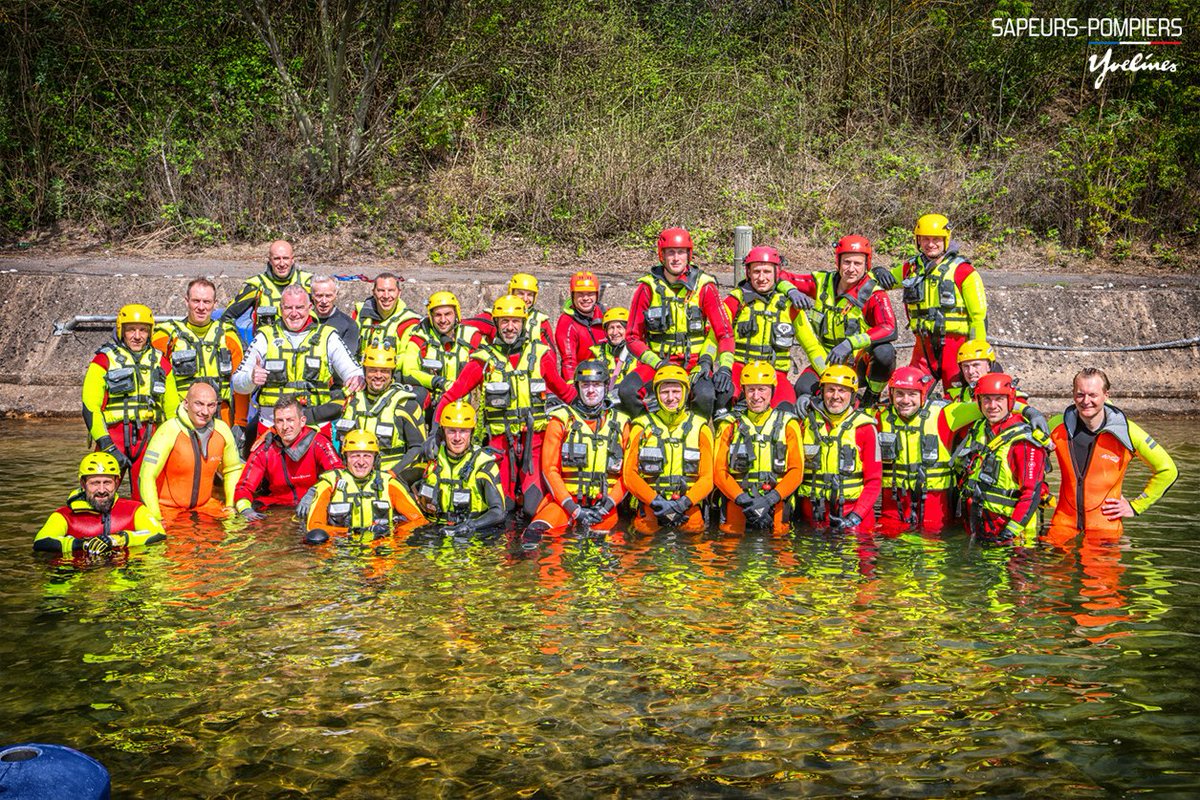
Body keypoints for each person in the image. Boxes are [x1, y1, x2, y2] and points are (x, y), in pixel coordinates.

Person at [433, 294, 574, 516]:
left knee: (532, 509)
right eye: (504, 321)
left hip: (534, 444)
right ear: (496, 324)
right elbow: (451, 395)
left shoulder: (540, 355)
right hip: (500, 444)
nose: (510, 327)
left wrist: (591, 411)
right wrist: (435, 432)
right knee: (503, 509)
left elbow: (564, 392)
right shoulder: (484, 360)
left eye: (515, 321)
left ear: (524, 323)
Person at [1045, 368, 1178, 543]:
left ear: (1106, 395)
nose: (1086, 401)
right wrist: (1040, 491)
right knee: (1041, 559)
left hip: (1105, 528)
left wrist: (1136, 506)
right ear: (1073, 395)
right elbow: (1031, 458)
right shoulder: (1057, 425)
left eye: (1093, 395)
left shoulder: (1127, 432)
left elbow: (1167, 470)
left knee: (1100, 562)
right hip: (1063, 523)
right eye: (1080, 395)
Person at [619, 227, 736, 417]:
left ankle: (697, 432)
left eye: (681, 252)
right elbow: (632, 338)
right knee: (627, 392)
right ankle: (650, 427)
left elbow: (725, 334)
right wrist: (658, 364)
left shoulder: (705, 286)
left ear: (688, 255)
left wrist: (724, 368)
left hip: (695, 365)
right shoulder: (647, 288)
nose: (675, 258)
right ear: (662, 255)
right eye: (670, 252)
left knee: (706, 396)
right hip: (658, 362)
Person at [873, 214, 988, 391]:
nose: (930, 244)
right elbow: (873, 282)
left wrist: (977, 354)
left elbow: (978, 317)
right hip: (923, 346)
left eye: (936, 239)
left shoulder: (964, 271)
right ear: (918, 240)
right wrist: (877, 272)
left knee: (957, 396)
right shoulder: (911, 268)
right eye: (925, 239)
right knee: (909, 390)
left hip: (956, 346)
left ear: (946, 240)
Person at [231, 284, 365, 433]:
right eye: (288, 308)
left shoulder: (328, 337)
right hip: (272, 426)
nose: (294, 313)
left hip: (315, 425)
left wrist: (354, 381)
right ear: (281, 309)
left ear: (310, 307)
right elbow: (237, 382)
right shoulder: (264, 337)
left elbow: (354, 372)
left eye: (300, 307)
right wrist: (250, 379)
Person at [786, 235, 897, 406]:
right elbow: (780, 276)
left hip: (858, 362)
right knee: (802, 390)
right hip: (826, 358)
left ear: (866, 265)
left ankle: (871, 397)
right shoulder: (822, 282)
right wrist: (790, 290)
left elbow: (889, 328)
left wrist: (850, 343)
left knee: (885, 352)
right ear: (837, 262)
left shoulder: (874, 293)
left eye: (857, 263)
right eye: (847, 262)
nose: (851, 269)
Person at [82, 303, 179, 496]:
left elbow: (172, 411)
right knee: (100, 494)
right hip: (112, 438)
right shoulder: (103, 360)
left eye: (143, 330)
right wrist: (107, 445)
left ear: (150, 332)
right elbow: (90, 407)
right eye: (131, 330)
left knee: (147, 496)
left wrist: (172, 445)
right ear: (121, 330)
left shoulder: (161, 362)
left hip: (149, 439)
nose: (137, 336)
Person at [875, 366, 984, 534]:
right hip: (894, 507)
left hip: (935, 508)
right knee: (889, 543)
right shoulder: (879, 417)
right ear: (891, 395)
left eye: (912, 394)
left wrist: (1025, 409)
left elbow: (988, 406)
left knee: (932, 543)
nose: (905, 400)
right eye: (899, 394)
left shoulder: (945, 415)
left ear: (923, 394)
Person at [528, 359, 630, 536]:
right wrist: (573, 509)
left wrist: (606, 507)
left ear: (606, 387)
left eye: (596, 385)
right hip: (566, 502)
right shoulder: (561, 420)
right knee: (534, 535)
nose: (591, 390)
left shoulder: (621, 423)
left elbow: (627, 475)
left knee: (605, 545)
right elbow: (550, 470)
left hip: (603, 507)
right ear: (577, 387)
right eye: (585, 385)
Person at [952, 373, 1047, 546]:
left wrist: (1009, 533)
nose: (992, 406)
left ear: (1010, 400)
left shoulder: (1024, 441)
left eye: (999, 399)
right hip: (979, 528)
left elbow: (1032, 493)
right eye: (986, 399)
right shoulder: (978, 428)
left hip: (1009, 537)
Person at [724, 245, 823, 407]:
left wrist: (827, 375)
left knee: (787, 410)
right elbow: (718, 337)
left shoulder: (790, 305)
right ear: (748, 273)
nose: (761, 278)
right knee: (723, 396)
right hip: (739, 369)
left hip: (775, 374)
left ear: (777, 273)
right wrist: (721, 368)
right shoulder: (735, 301)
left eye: (767, 272)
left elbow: (812, 347)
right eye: (756, 272)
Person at [713, 361, 804, 534]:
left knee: (779, 543)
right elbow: (719, 471)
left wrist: (770, 500)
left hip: (775, 503)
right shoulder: (729, 424)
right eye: (751, 390)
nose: (756, 396)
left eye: (762, 389)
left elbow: (796, 471)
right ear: (743, 391)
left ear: (772, 390)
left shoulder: (789, 424)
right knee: (731, 544)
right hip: (738, 503)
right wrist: (743, 499)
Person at [622, 364, 715, 534]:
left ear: (685, 393)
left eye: (676, 391)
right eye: (665, 392)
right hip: (652, 506)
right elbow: (629, 475)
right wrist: (656, 502)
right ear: (657, 395)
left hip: (688, 506)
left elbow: (707, 478)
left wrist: (683, 504)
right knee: (644, 536)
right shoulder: (641, 426)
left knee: (695, 533)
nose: (671, 398)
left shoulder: (701, 428)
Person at [138, 382, 244, 520]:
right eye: (199, 404)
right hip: (167, 508)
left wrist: (230, 506)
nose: (205, 412)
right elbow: (146, 476)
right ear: (186, 404)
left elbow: (232, 469)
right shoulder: (168, 431)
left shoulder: (222, 430)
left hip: (205, 505)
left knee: (238, 528)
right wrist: (156, 518)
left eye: (211, 405)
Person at [795, 365, 881, 533]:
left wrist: (855, 517)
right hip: (813, 518)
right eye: (830, 390)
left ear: (852, 395)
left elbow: (874, 481)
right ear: (822, 392)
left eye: (842, 391)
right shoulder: (805, 423)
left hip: (853, 518)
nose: (835, 396)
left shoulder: (865, 428)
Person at [233, 395, 344, 520]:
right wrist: (246, 510)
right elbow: (243, 487)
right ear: (274, 424)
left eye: (290, 420)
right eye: (280, 421)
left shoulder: (318, 442)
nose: (285, 427)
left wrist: (315, 491)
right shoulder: (265, 450)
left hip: (312, 505)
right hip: (277, 509)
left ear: (302, 421)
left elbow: (339, 473)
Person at [35, 452, 166, 556]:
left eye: (107, 482)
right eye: (95, 483)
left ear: (117, 482)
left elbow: (158, 534)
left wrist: (118, 540)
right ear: (83, 484)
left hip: (123, 573)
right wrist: (82, 544)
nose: (102, 490)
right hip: (81, 575)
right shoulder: (64, 515)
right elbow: (41, 542)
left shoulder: (135, 510)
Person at [304, 430, 425, 539]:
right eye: (355, 456)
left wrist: (394, 533)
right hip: (342, 548)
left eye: (367, 456)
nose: (361, 462)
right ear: (345, 458)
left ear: (375, 459)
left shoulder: (388, 484)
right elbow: (314, 527)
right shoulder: (330, 484)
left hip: (380, 549)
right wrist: (350, 532)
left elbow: (419, 521)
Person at [412, 400, 507, 536]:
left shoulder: (484, 464)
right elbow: (398, 482)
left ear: (472, 432)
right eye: (451, 431)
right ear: (443, 432)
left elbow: (498, 512)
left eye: (463, 431)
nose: (457, 438)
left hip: (471, 535)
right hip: (433, 530)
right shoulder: (431, 458)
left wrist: (468, 526)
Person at [335, 346, 426, 480]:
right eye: (372, 370)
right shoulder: (350, 399)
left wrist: (393, 474)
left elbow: (418, 448)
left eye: (384, 371)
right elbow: (317, 415)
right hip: (352, 477)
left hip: (391, 478)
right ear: (364, 371)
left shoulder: (406, 404)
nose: (378, 376)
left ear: (392, 373)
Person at [399, 291, 481, 413]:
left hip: (461, 404)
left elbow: (486, 369)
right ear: (431, 316)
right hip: (431, 404)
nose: (443, 320)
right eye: (438, 315)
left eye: (447, 314)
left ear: (456, 313)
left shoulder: (472, 336)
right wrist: (438, 382)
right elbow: (408, 372)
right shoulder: (420, 337)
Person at [224, 240, 314, 332]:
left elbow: (323, 313)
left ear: (292, 259)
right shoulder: (256, 286)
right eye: (277, 259)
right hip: (267, 340)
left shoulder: (308, 283)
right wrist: (236, 339)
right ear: (270, 261)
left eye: (285, 258)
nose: (282, 264)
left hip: (304, 339)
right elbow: (226, 318)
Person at [462, 273, 556, 349]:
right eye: (520, 293)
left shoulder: (541, 323)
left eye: (530, 295)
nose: (525, 299)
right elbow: (461, 326)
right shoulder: (495, 315)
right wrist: (481, 350)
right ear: (511, 292)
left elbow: (550, 356)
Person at [353, 272, 420, 358]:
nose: (386, 296)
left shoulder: (410, 322)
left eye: (391, 290)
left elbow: (409, 358)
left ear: (399, 293)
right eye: (381, 290)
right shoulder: (359, 314)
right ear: (373, 293)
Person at [554, 271, 606, 381]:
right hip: (581, 380)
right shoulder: (566, 322)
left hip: (606, 378)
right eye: (580, 294)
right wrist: (572, 387)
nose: (585, 298)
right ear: (573, 295)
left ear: (596, 295)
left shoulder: (606, 315)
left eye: (590, 294)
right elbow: (569, 362)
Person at [592, 307, 637, 401]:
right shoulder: (595, 353)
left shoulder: (639, 352)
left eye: (619, 327)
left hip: (632, 401)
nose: (615, 332)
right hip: (606, 402)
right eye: (611, 328)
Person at [310, 275, 360, 356]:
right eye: (319, 296)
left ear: (336, 295)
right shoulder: (302, 321)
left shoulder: (349, 325)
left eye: (328, 296)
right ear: (312, 296)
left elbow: (347, 359)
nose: (324, 301)